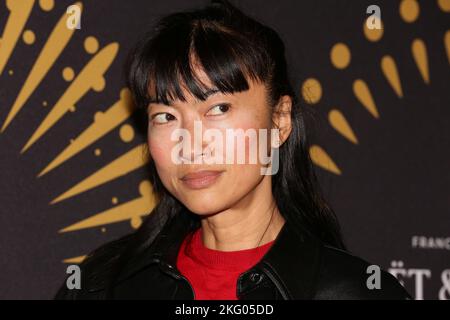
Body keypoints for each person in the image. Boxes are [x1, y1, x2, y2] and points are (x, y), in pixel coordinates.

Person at [55, 0, 411, 300]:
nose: (190, 145)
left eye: (218, 109)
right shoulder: (101, 286)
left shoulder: (355, 292)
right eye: (165, 116)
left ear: (280, 121)